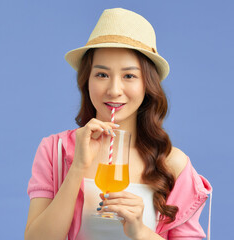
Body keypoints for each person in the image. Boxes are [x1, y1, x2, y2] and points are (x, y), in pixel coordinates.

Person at [25, 8, 212, 240]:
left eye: (129, 76)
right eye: (102, 75)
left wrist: (140, 232)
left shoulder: (173, 164)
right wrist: (77, 169)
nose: (113, 90)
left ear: (147, 85)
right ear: (87, 80)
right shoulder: (55, 150)